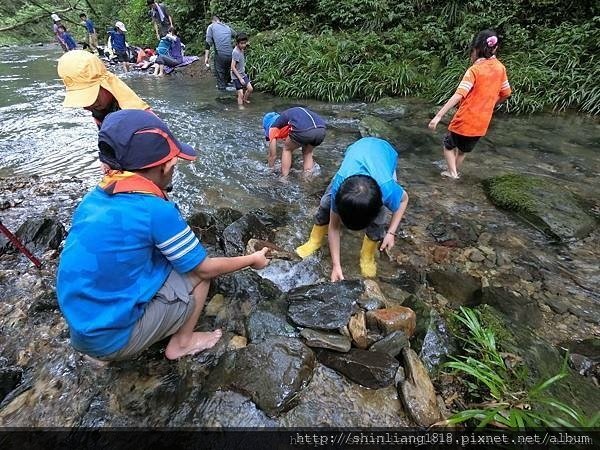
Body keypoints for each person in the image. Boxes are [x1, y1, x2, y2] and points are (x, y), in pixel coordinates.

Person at [56, 109, 270, 361]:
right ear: (168, 165)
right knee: (198, 273)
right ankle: (182, 343)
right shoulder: (155, 210)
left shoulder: (94, 198)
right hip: (112, 343)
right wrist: (252, 260)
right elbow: (204, 269)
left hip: (81, 331)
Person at [296, 137, 408, 280]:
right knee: (326, 204)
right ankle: (315, 240)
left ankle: (367, 255)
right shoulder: (340, 186)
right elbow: (334, 226)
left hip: (385, 155)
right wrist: (336, 265)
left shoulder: (388, 189)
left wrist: (391, 233)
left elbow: (404, 200)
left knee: (379, 221)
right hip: (356, 153)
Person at [428, 29, 512, 179]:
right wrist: (492, 104)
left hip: (465, 119)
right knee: (463, 150)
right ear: (495, 48)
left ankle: (452, 174)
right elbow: (506, 93)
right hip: (482, 122)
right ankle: (454, 170)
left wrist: (438, 116)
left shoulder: (475, 70)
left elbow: (459, 94)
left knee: (448, 145)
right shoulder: (501, 68)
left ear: (476, 49)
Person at [57, 50, 150, 128]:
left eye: (92, 97)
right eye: (82, 99)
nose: (86, 107)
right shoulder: (99, 109)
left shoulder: (140, 117)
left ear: (106, 85)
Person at [263, 107, 327, 177]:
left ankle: (284, 178)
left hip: (305, 131)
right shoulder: (288, 118)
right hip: (321, 130)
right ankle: (307, 178)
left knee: (287, 149)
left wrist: (270, 168)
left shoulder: (273, 126)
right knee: (307, 153)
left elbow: (273, 156)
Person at [204, 16, 234, 91]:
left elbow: (208, 43)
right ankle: (231, 92)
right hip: (231, 55)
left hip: (220, 55)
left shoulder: (211, 27)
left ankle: (222, 97)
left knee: (220, 79)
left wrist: (206, 57)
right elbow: (237, 35)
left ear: (213, 21)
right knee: (227, 74)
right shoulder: (227, 27)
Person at [230, 32, 253, 106]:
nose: (243, 45)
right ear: (237, 43)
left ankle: (245, 99)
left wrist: (247, 44)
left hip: (242, 73)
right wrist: (240, 78)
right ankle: (240, 109)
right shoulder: (235, 52)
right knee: (240, 94)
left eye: (245, 43)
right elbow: (232, 67)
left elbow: (245, 44)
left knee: (250, 89)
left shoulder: (242, 48)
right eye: (241, 43)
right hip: (236, 75)